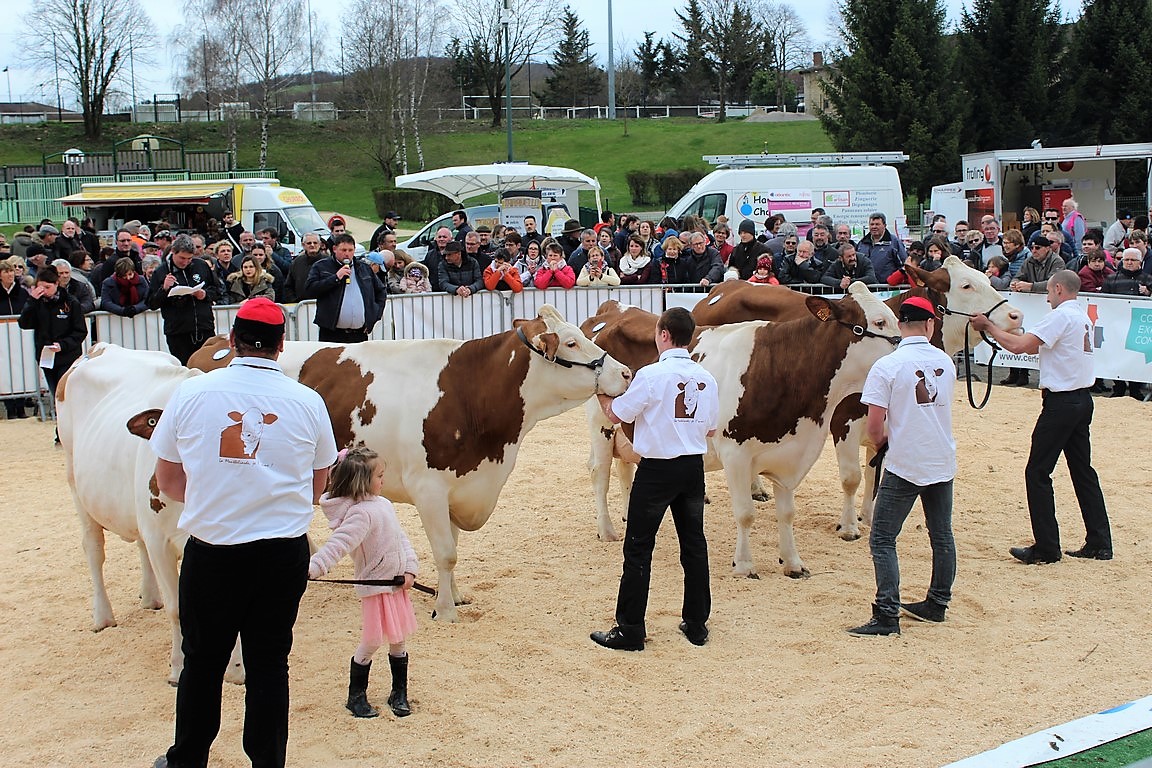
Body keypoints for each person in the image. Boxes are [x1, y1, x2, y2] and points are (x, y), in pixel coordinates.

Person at [150, 297, 338, 768]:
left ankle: (188, 760)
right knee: (270, 664)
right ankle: (268, 762)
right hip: (280, 551)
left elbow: (168, 481)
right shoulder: (307, 401)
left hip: (213, 549)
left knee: (203, 662)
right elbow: (319, 485)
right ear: (280, 346)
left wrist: (220, 496)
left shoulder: (192, 394)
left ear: (232, 340)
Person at [590, 307, 719, 651]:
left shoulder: (650, 375)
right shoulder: (707, 378)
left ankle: (630, 629)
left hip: (657, 470)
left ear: (663, 334)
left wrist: (601, 393)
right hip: (692, 468)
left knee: (638, 548)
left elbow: (616, 414)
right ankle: (696, 624)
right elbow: (712, 428)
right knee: (694, 545)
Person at [971, 270, 1113, 565]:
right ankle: (1099, 541)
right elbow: (1032, 342)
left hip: (1061, 403)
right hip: (1081, 400)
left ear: (1059, 289)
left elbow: (1021, 347)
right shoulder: (1080, 316)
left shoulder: (1061, 316)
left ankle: (1047, 547)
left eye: (1049, 292)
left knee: (1037, 472)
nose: (1047, 298)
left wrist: (987, 326)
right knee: (1082, 471)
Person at [848, 297, 957, 636]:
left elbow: (875, 425)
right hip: (940, 456)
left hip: (905, 459)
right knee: (941, 535)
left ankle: (887, 613)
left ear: (900, 324)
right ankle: (937, 602)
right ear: (930, 325)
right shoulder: (946, 361)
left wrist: (882, 445)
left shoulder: (888, 365)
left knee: (883, 538)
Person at [308, 447, 419, 719]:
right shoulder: (360, 514)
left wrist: (410, 570)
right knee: (371, 640)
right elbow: (338, 545)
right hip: (375, 589)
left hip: (395, 586)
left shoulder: (384, 505)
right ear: (362, 481)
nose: (384, 480)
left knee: (399, 640)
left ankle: (399, 692)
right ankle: (356, 696)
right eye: (379, 476)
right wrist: (313, 567)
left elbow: (401, 539)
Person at [17, 264, 88, 399]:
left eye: (47, 287)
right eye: (40, 287)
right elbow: (24, 323)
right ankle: (57, 415)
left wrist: (63, 345)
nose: (44, 291)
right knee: (55, 391)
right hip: (46, 356)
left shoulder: (71, 302)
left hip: (67, 355)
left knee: (67, 391)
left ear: (56, 284)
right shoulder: (37, 303)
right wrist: (31, 301)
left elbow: (80, 331)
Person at [148, 235, 219, 365]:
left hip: (204, 327)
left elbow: (217, 290)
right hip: (178, 332)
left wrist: (204, 295)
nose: (185, 262)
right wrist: (164, 289)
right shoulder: (161, 271)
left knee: (208, 367)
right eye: (182, 258)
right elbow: (151, 303)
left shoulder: (201, 266)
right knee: (185, 369)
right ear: (173, 252)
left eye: (189, 258)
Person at [305, 233, 388, 342]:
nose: (347, 254)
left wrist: (374, 316)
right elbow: (310, 290)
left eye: (350, 250)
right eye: (343, 250)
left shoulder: (364, 268)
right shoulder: (321, 266)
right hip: (332, 333)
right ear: (334, 249)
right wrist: (336, 278)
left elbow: (381, 291)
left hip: (359, 333)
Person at [855, 212, 906, 283]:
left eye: (877, 224)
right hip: (866, 287)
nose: (874, 227)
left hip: (887, 288)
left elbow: (903, 265)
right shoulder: (862, 243)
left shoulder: (894, 242)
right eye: (872, 224)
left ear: (884, 225)